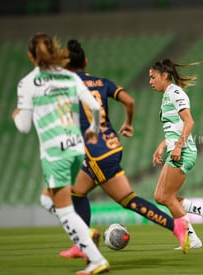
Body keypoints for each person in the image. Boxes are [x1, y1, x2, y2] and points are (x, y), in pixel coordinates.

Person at [41, 39, 190, 256]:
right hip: (111, 145)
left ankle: (87, 242)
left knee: (126, 200)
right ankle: (85, 243)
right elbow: (129, 101)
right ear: (86, 61)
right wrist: (128, 123)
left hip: (95, 152)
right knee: (78, 191)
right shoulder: (102, 82)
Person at [12, 33, 110, 275]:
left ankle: (95, 258)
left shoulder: (27, 83)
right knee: (47, 199)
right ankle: (83, 231)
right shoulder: (69, 76)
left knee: (65, 209)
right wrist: (95, 131)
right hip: (77, 148)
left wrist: (15, 114)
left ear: (30, 56)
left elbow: (24, 126)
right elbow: (96, 107)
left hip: (55, 153)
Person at [149, 58, 203, 250]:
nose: (150, 81)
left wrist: (178, 146)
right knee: (160, 197)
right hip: (175, 149)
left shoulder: (175, 92)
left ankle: (191, 239)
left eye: (153, 77)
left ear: (164, 76)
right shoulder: (166, 95)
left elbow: (189, 122)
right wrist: (163, 145)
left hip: (183, 151)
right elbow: (175, 127)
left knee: (168, 197)